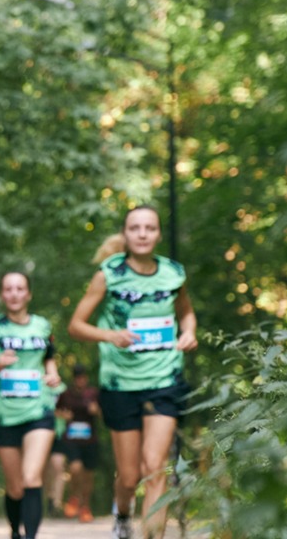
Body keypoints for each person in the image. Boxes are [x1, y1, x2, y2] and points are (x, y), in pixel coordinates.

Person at [67, 206, 198, 539]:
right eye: (135, 228)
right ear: (125, 234)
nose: (142, 234)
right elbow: (76, 325)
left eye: (149, 228)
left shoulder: (173, 274)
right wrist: (111, 335)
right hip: (120, 384)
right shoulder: (108, 274)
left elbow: (186, 314)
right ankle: (122, 515)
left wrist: (188, 333)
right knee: (128, 477)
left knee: (155, 470)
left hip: (164, 380)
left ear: (157, 234)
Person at [0, 272, 61, 539]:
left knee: (32, 478)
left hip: (38, 411)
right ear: (1, 295)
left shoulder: (43, 326)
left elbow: (49, 360)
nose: (14, 293)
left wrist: (53, 374)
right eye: (8, 289)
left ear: (28, 294)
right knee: (15, 486)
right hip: (5, 414)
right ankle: (14, 530)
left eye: (19, 288)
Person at [55, 365, 101, 524]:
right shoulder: (66, 394)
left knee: (88, 476)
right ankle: (74, 497)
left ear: (86, 378)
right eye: (77, 377)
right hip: (72, 440)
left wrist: (97, 410)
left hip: (90, 441)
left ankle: (85, 507)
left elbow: (106, 412)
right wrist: (63, 414)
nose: (80, 380)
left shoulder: (93, 393)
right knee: (75, 468)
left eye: (82, 377)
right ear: (74, 379)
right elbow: (55, 411)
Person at [42, 380, 68, 518]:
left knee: (58, 467)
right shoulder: (37, 383)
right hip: (40, 433)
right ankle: (49, 498)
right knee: (43, 470)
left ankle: (57, 504)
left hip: (59, 433)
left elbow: (69, 410)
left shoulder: (63, 388)